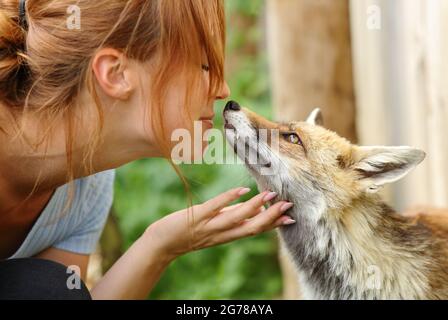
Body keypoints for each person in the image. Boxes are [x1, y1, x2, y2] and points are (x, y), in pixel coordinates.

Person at [0, 0, 295, 299]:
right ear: (115, 74)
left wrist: (159, 245)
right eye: (204, 66)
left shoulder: (88, 186)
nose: (222, 90)